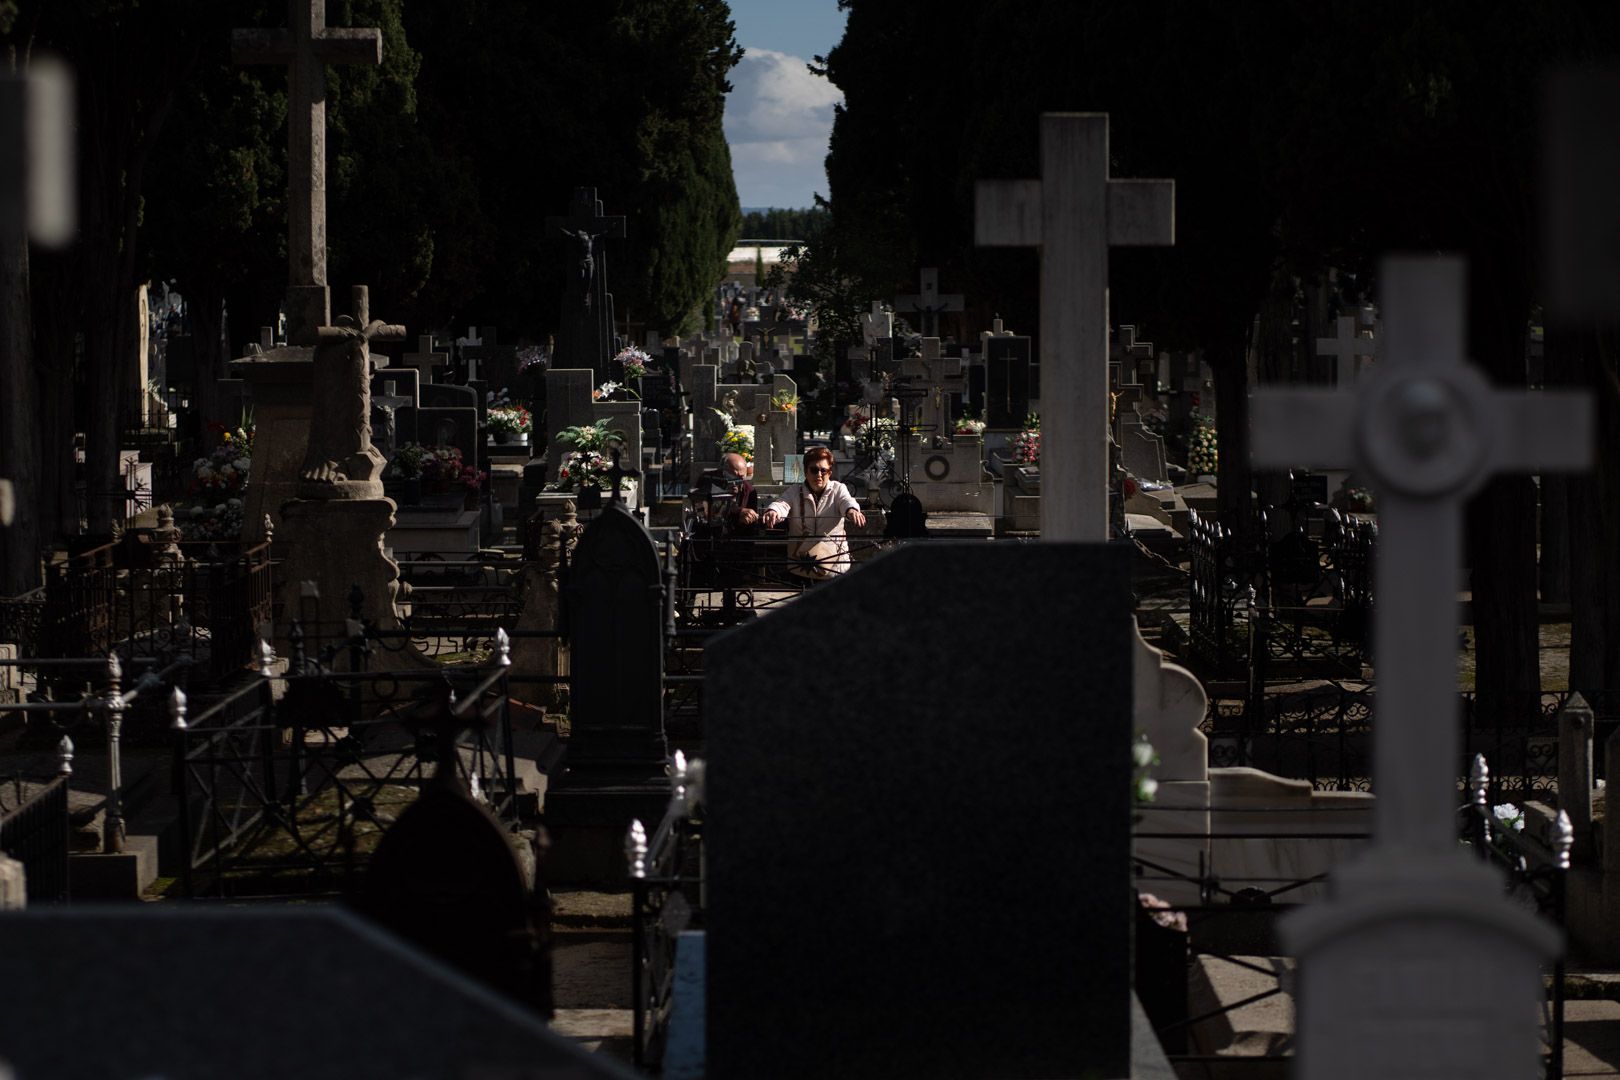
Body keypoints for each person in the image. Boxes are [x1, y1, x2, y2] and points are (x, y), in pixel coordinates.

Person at [762, 447, 866, 578]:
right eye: (814, 470)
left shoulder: (839, 489)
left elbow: (846, 501)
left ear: (830, 473)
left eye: (824, 470)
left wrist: (852, 511)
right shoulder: (795, 490)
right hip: (801, 563)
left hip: (834, 564)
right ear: (805, 472)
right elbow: (782, 503)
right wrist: (773, 511)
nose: (819, 475)